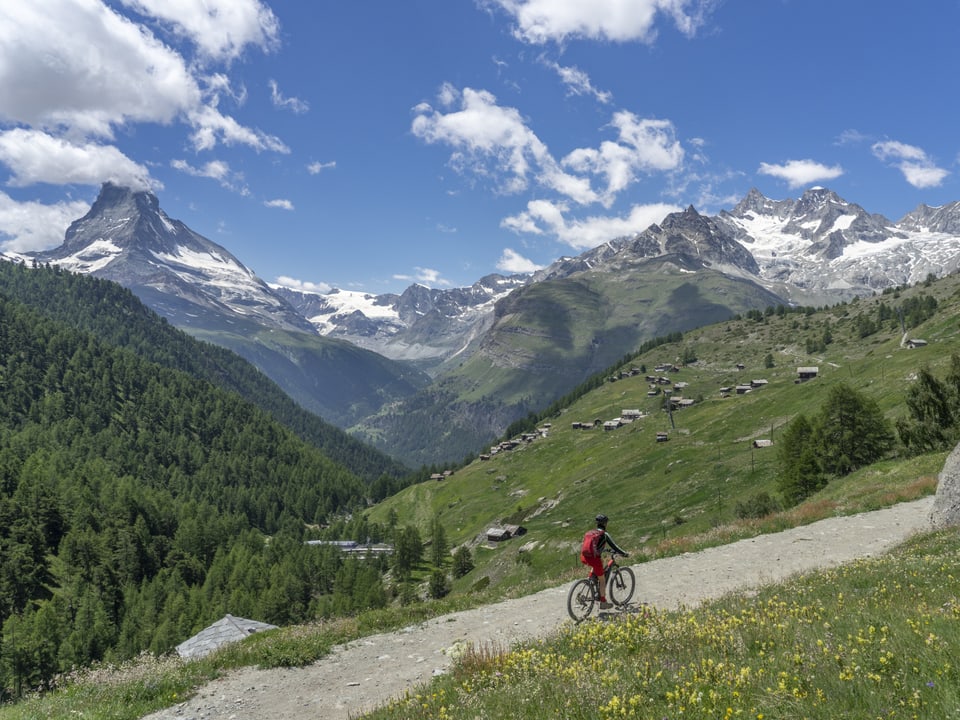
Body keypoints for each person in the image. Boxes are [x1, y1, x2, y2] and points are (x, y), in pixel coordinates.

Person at [580, 513, 628, 609]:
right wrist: (624, 553)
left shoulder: (590, 532)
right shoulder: (604, 534)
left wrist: (603, 550)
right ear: (605, 523)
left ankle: (590, 580)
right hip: (594, 558)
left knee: (596, 566)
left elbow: (592, 546)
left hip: (584, 557)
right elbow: (615, 547)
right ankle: (603, 602)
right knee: (602, 580)